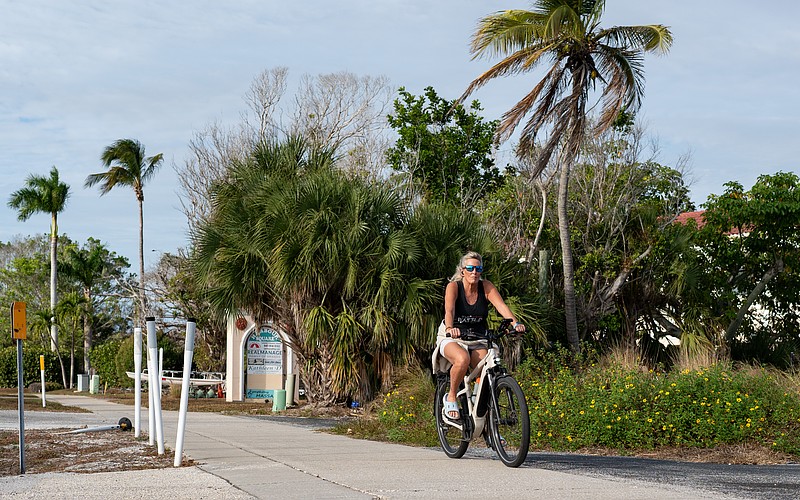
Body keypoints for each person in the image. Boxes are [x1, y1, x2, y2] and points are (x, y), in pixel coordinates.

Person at [437, 251, 525, 421]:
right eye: (470, 268)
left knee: (488, 370)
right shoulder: (454, 287)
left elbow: (502, 307)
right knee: (462, 359)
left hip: (477, 337)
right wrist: (450, 327)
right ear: (462, 271)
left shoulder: (486, 286)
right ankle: (452, 396)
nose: (474, 272)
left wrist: (515, 324)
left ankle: (484, 417)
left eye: (478, 269)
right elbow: (449, 311)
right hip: (453, 336)